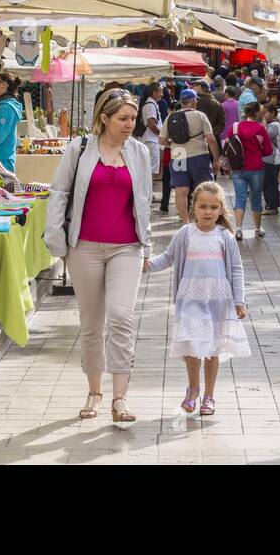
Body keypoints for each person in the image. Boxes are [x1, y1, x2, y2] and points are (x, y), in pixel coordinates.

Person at [45, 89, 153, 425]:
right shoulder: (79, 149)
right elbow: (59, 193)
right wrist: (57, 243)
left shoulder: (139, 152)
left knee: (121, 316)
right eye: (123, 118)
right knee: (91, 323)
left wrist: (147, 245)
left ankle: (120, 397)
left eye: (132, 118)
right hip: (85, 246)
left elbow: (144, 202)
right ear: (104, 118)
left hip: (127, 246)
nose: (129, 124)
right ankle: (94, 391)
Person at [143, 181, 249, 415]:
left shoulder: (225, 236)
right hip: (190, 298)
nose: (208, 212)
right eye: (203, 206)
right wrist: (147, 264)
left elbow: (236, 269)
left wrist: (239, 300)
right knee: (191, 344)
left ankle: (209, 396)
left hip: (217, 300)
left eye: (213, 207)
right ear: (194, 207)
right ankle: (193, 389)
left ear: (221, 209)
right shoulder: (185, 233)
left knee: (212, 348)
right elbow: (168, 257)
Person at [160, 88, 220, 223]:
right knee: (205, 189)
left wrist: (174, 146)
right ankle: (203, 220)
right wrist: (216, 159)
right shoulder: (200, 116)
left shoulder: (171, 117)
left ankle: (185, 222)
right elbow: (211, 139)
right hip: (199, 155)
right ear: (193, 101)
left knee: (181, 190)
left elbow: (162, 140)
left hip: (178, 156)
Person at [230, 101, 273, 238]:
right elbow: (268, 150)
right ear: (256, 113)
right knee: (256, 198)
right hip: (256, 168)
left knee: (240, 199)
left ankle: (238, 230)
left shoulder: (235, 127)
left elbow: (229, 146)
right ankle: (257, 229)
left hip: (238, 168)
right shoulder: (260, 129)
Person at [136, 83, 163, 178]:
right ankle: (148, 187)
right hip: (151, 140)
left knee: (150, 169)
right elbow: (152, 125)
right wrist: (162, 134)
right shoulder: (150, 105)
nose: (162, 94)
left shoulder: (151, 104)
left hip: (150, 140)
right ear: (154, 92)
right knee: (151, 169)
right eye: (160, 92)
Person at [262, 102, 280, 213]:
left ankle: (271, 207)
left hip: (272, 159)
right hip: (269, 158)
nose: (263, 115)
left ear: (272, 113)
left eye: (265, 113)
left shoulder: (275, 125)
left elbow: (266, 136)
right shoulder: (274, 124)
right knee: (270, 183)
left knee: (269, 183)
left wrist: (264, 123)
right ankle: (272, 206)